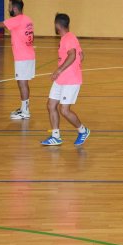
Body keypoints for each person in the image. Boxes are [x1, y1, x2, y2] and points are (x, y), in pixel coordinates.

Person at [41, 13, 90, 146]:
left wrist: (59, 70)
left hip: (71, 80)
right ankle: (55, 136)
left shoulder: (68, 38)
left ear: (57, 25)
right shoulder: (69, 38)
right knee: (51, 105)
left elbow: (73, 55)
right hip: (61, 79)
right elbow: (81, 55)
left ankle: (83, 130)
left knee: (64, 110)